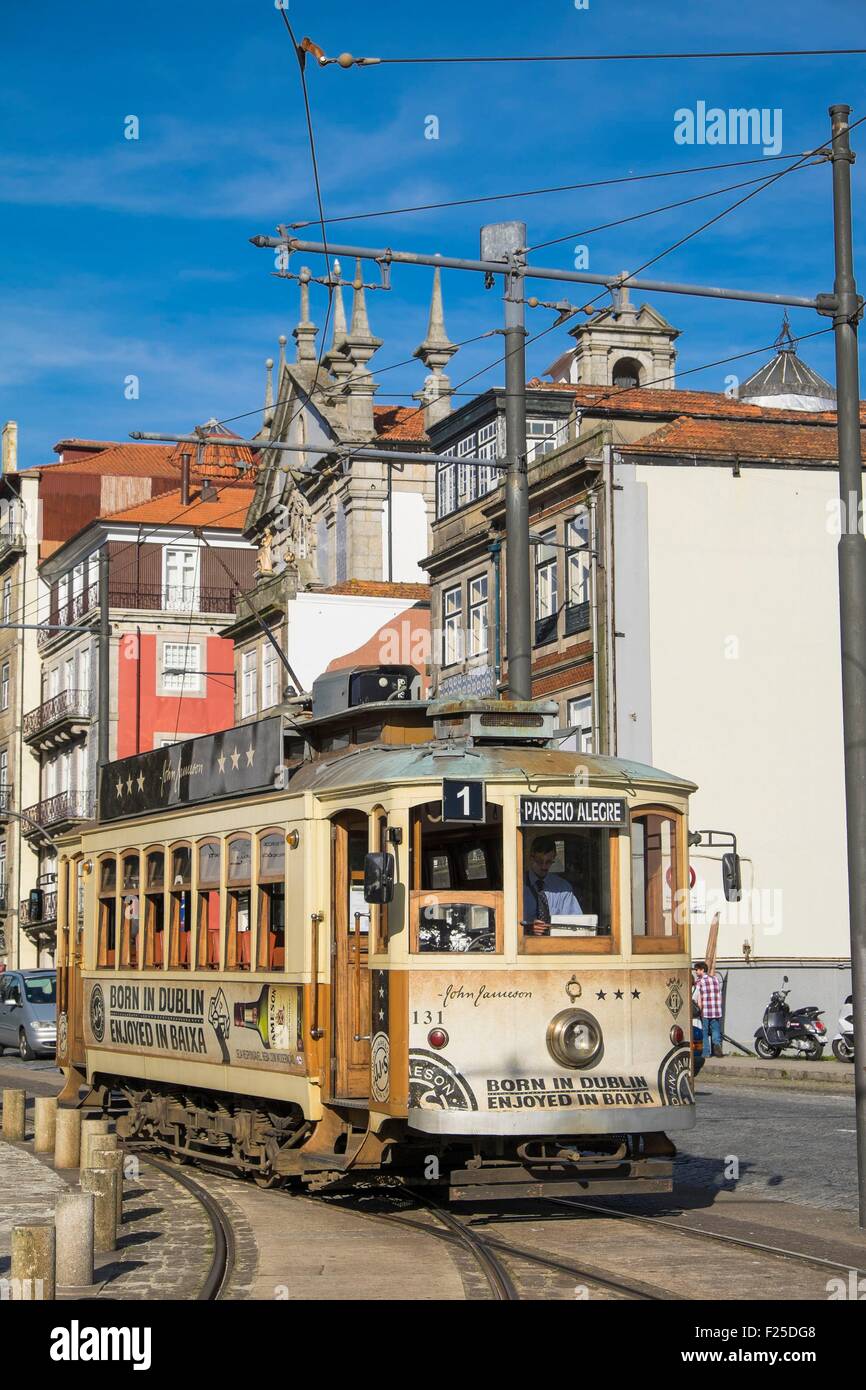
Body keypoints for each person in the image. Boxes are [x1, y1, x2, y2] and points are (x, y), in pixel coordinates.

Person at [523, 835, 582, 935]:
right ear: (531, 858)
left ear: (554, 858)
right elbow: (505, 922)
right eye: (539, 862)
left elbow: (576, 923)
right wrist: (526, 927)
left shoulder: (563, 888)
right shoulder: (516, 885)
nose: (544, 867)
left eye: (549, 862)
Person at [694, 960, 724, 1058]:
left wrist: (699, 1009)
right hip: (716, 1010)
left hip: (706, 1011)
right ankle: (717, 1046)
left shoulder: (699, 982)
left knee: (705, 1032)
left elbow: (698, 996)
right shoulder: (715, 979)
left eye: (697, 970)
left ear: (702, 970)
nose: (695, 972)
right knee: (715, 1030)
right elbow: (719, 993)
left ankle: (706, 1052)